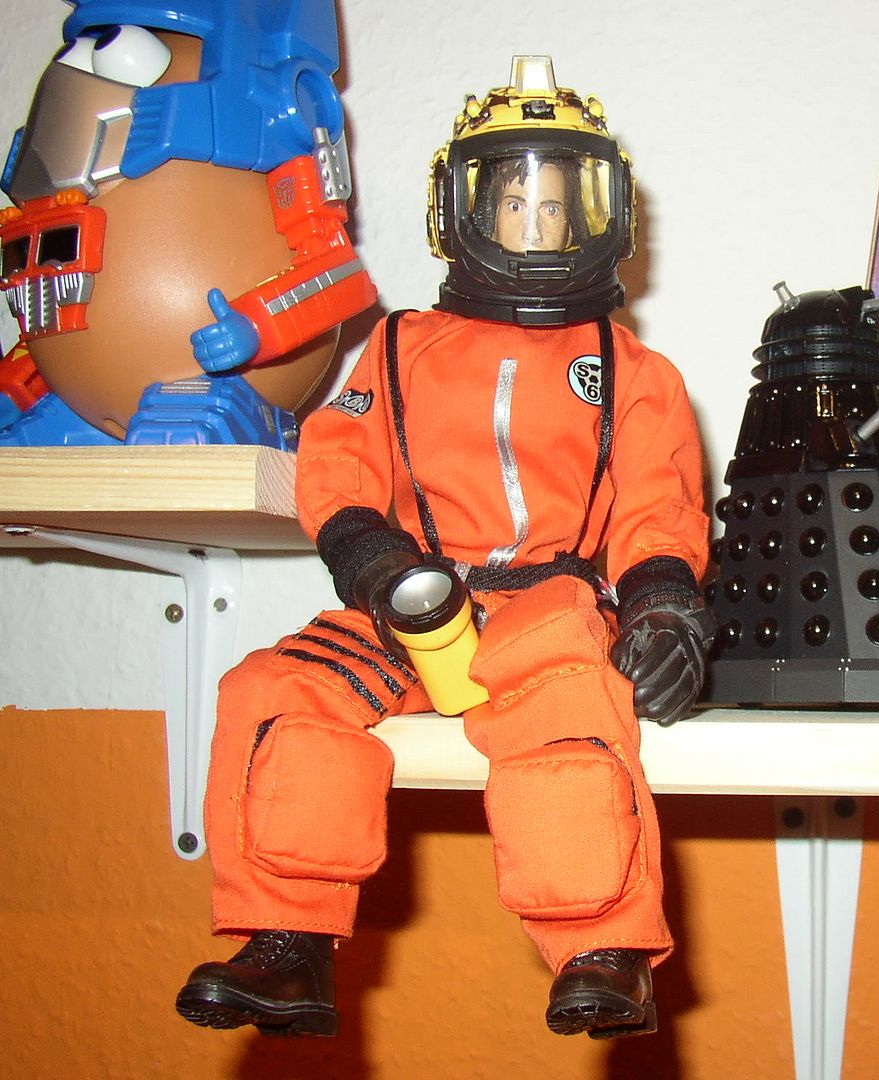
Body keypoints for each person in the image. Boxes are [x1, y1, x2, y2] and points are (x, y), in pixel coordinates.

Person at [173, 56, 714, 1040]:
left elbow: (657, 504)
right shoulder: (398, 347)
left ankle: (603, 946)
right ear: (461, 211)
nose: (533, 226)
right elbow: (339, 460)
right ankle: (286, 941)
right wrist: (371, 560)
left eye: (556, 207)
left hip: (548, 605)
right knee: (276, 689)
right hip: (406, 602)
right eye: (512, 203)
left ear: (601, 216)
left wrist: (663, 605)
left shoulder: (635, 372)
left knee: (571, 716)